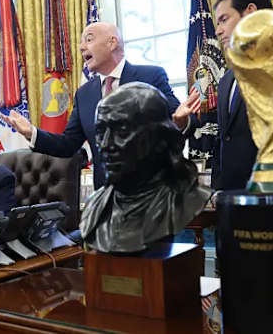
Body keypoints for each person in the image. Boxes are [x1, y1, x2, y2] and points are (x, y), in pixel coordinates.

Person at [173, 0, 273, 190]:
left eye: (224, 19)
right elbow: (223, 140)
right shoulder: (227, 79)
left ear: (250, 12)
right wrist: (219, 187)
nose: (218, 30)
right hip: (234, 198)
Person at [4, 22, 181, 190]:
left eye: (89, 39)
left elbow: (178, 118)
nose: (81, 47)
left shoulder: (151, 77)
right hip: (107, 195)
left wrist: (182, 121)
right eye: (81, 42)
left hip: (155, 191)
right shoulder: (84, 94)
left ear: (112, 43)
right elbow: (68, 144)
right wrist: (32, 133)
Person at [80, 83, 210, 253]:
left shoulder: (185, 199)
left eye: (122, 131)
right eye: (100, 131)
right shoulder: (94, 206)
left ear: (159, 138)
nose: (105, 145)